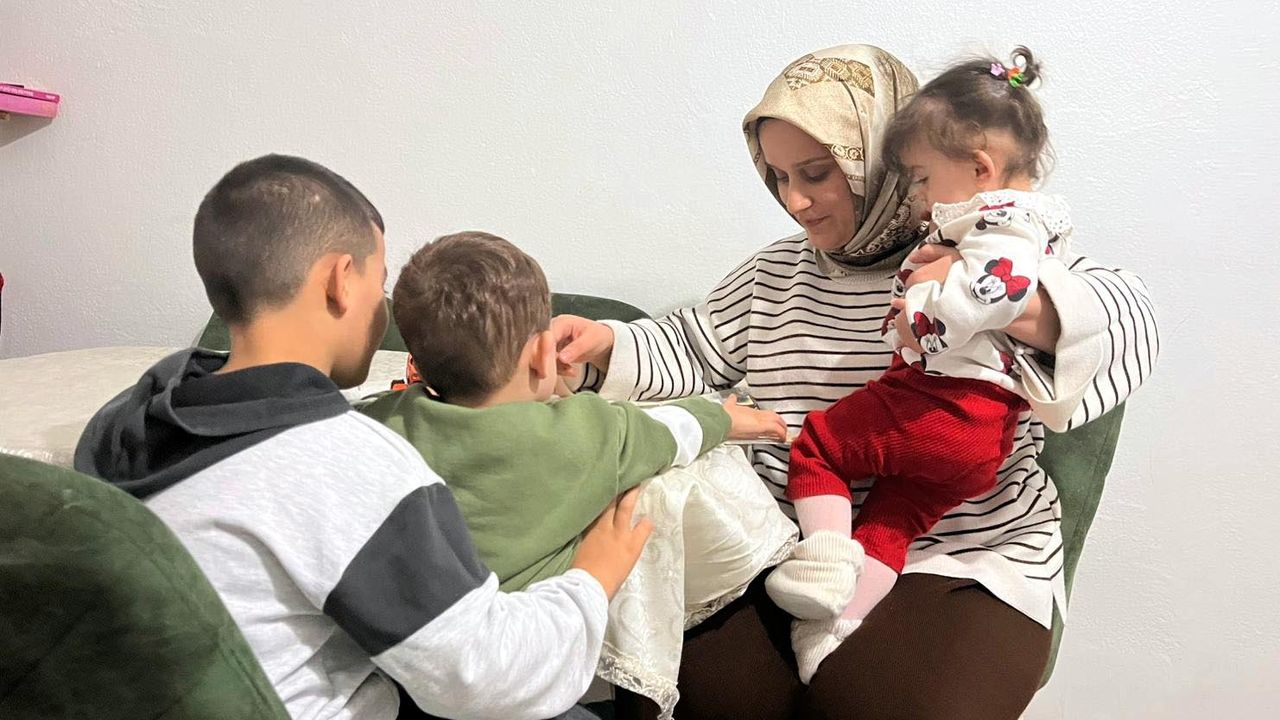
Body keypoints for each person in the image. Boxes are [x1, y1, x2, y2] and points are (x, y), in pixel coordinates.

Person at [553, 44, 1158, 719]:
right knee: (707, 697)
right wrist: (604, 348)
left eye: (817, 173)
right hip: (788, 542)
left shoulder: (995, 247)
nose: (795, 201)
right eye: (778, 177)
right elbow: (692, 344)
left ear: (890, 163)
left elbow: (1129, 321)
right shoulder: (777, 273)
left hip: (963, 550)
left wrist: (996, 299)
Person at [74, 154, 650, 720]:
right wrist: (591, 579)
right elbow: (483, 677)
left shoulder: (130, 420)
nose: (383, 311)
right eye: (380, 284)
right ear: (340, 280)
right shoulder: (344, 462)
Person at [767, 46, 1091, 683]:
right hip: (978, 444)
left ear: (979, 168)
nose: (915, 194)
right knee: (895, 521)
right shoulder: (1040, 225)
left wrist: (920, 314)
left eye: (918, 178)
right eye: (778, 178)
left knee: (820, 448)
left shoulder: (996, 224)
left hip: (945, 411)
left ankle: (825, 569)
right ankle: (836, 625)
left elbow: (999, 292)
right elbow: (690, 338)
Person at [360, 230, 788, 592]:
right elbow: (668, 429)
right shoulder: (589, 431)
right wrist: (726, 418)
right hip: (539, 634)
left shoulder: (379, 423)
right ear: (543, 352)